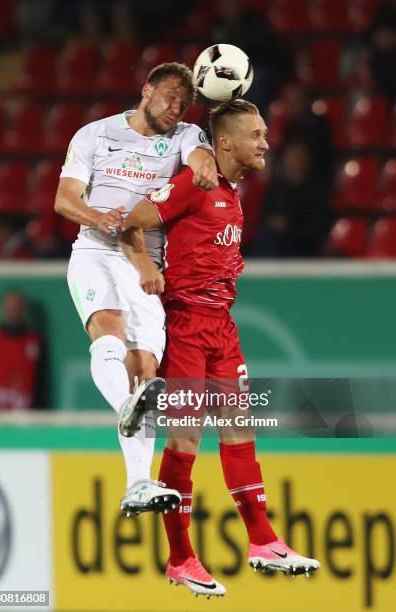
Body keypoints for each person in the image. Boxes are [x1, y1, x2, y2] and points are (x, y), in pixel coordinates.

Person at [118, 100, 320, 597]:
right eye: (256, 135)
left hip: (222, 328)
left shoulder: (230, 189)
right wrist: (147, 268)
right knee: (186, 440)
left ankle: (263, 541)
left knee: (239, 430)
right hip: (186, 325)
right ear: (225, 143)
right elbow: (131, 221)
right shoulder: (191, 184)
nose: (266, 143)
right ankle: (181, 558)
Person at [54, 62, 218, 515]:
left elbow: (200, 157)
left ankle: (138, 484)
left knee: (146, 370)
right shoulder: (94, 134)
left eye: (184, 103)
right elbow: (64, 198)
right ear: (146, 89)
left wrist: (203, 164)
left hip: (145, 262)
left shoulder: (183, 134)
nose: (175, 107)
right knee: (108, 332)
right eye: (168, 96)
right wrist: (97, 217)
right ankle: (128, 419)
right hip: (94, 252)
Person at [0, 291, 44, 410]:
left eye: (16, 307)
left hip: (24, 416)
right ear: (3, 308)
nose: (13, 311)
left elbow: (40, 383)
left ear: (23, 309)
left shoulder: (34, 341)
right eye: (9, 307)